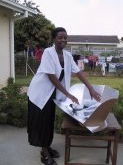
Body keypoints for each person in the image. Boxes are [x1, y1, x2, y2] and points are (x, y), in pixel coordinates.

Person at [27, 27, 101, 165]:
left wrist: (91, 89)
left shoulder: (67, 55)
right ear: (54, 39)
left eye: (65, 37)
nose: (63, 40)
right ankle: (44, 152)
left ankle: (47, 146)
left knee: (49, 121)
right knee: (41, 123)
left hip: (53, 94)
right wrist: (68, 94)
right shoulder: (48, 53)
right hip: (40, 93)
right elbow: (51, 77)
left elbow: (78, 73)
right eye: (60, 37)